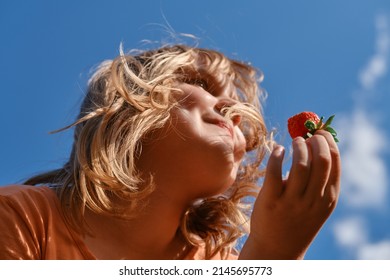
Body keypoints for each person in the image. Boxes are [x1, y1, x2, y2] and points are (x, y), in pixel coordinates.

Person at [0, 44, 341, 260]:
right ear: (123, 102)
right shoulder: (22, 217)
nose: (233, 110)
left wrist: (276, 254)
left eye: (239, 108)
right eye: (202, 84)